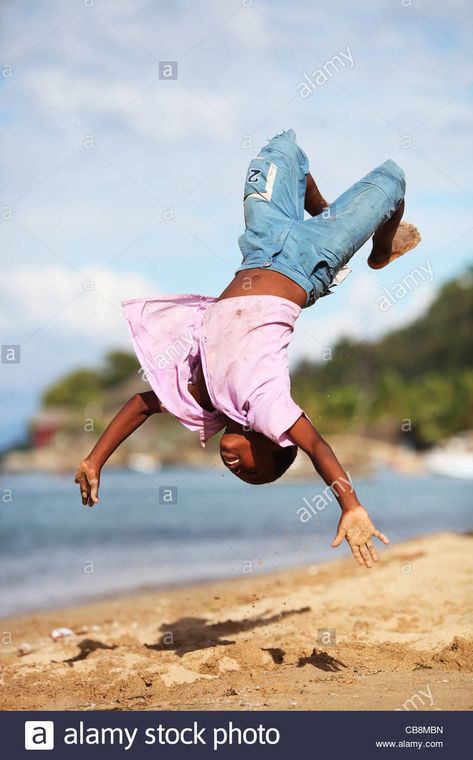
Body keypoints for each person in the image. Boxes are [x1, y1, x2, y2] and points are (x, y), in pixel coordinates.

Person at [75, 129, 421, 568]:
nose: (236, 468)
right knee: (392, 179)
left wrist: (95, 459)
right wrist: (351, 506)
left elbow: (143, 404)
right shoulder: (267, 406)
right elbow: (318, 449)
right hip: (311, 259)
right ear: (273, 443)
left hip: (260, 245)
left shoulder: (209, 402)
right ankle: (371, 245)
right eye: (252, 471)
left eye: (240, 475)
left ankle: (332, 218)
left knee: (281, 150)